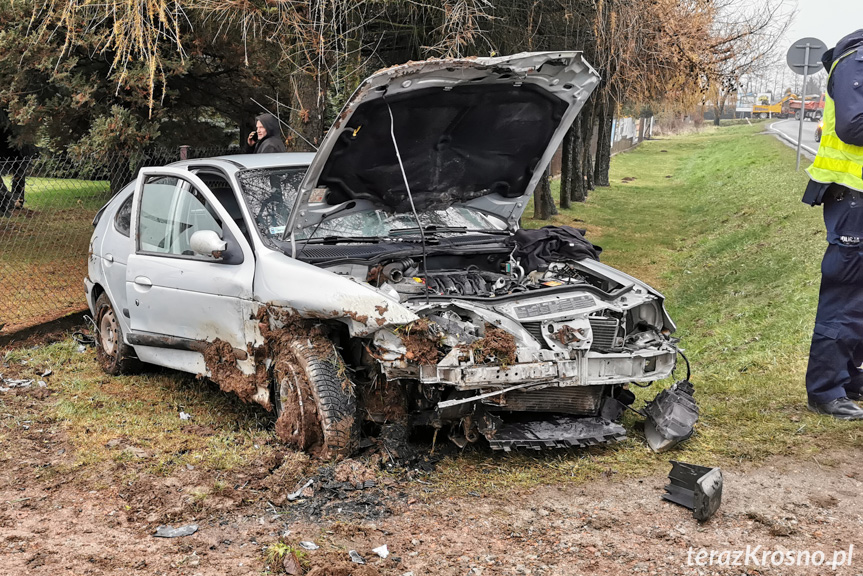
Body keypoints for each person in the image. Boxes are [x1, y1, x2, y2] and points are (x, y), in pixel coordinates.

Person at [803, 29, 863, 419]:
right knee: (845, 296)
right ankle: (825, 389)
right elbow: (853, 126)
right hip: (853, 198)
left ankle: (849, 377)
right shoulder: (856, 62)